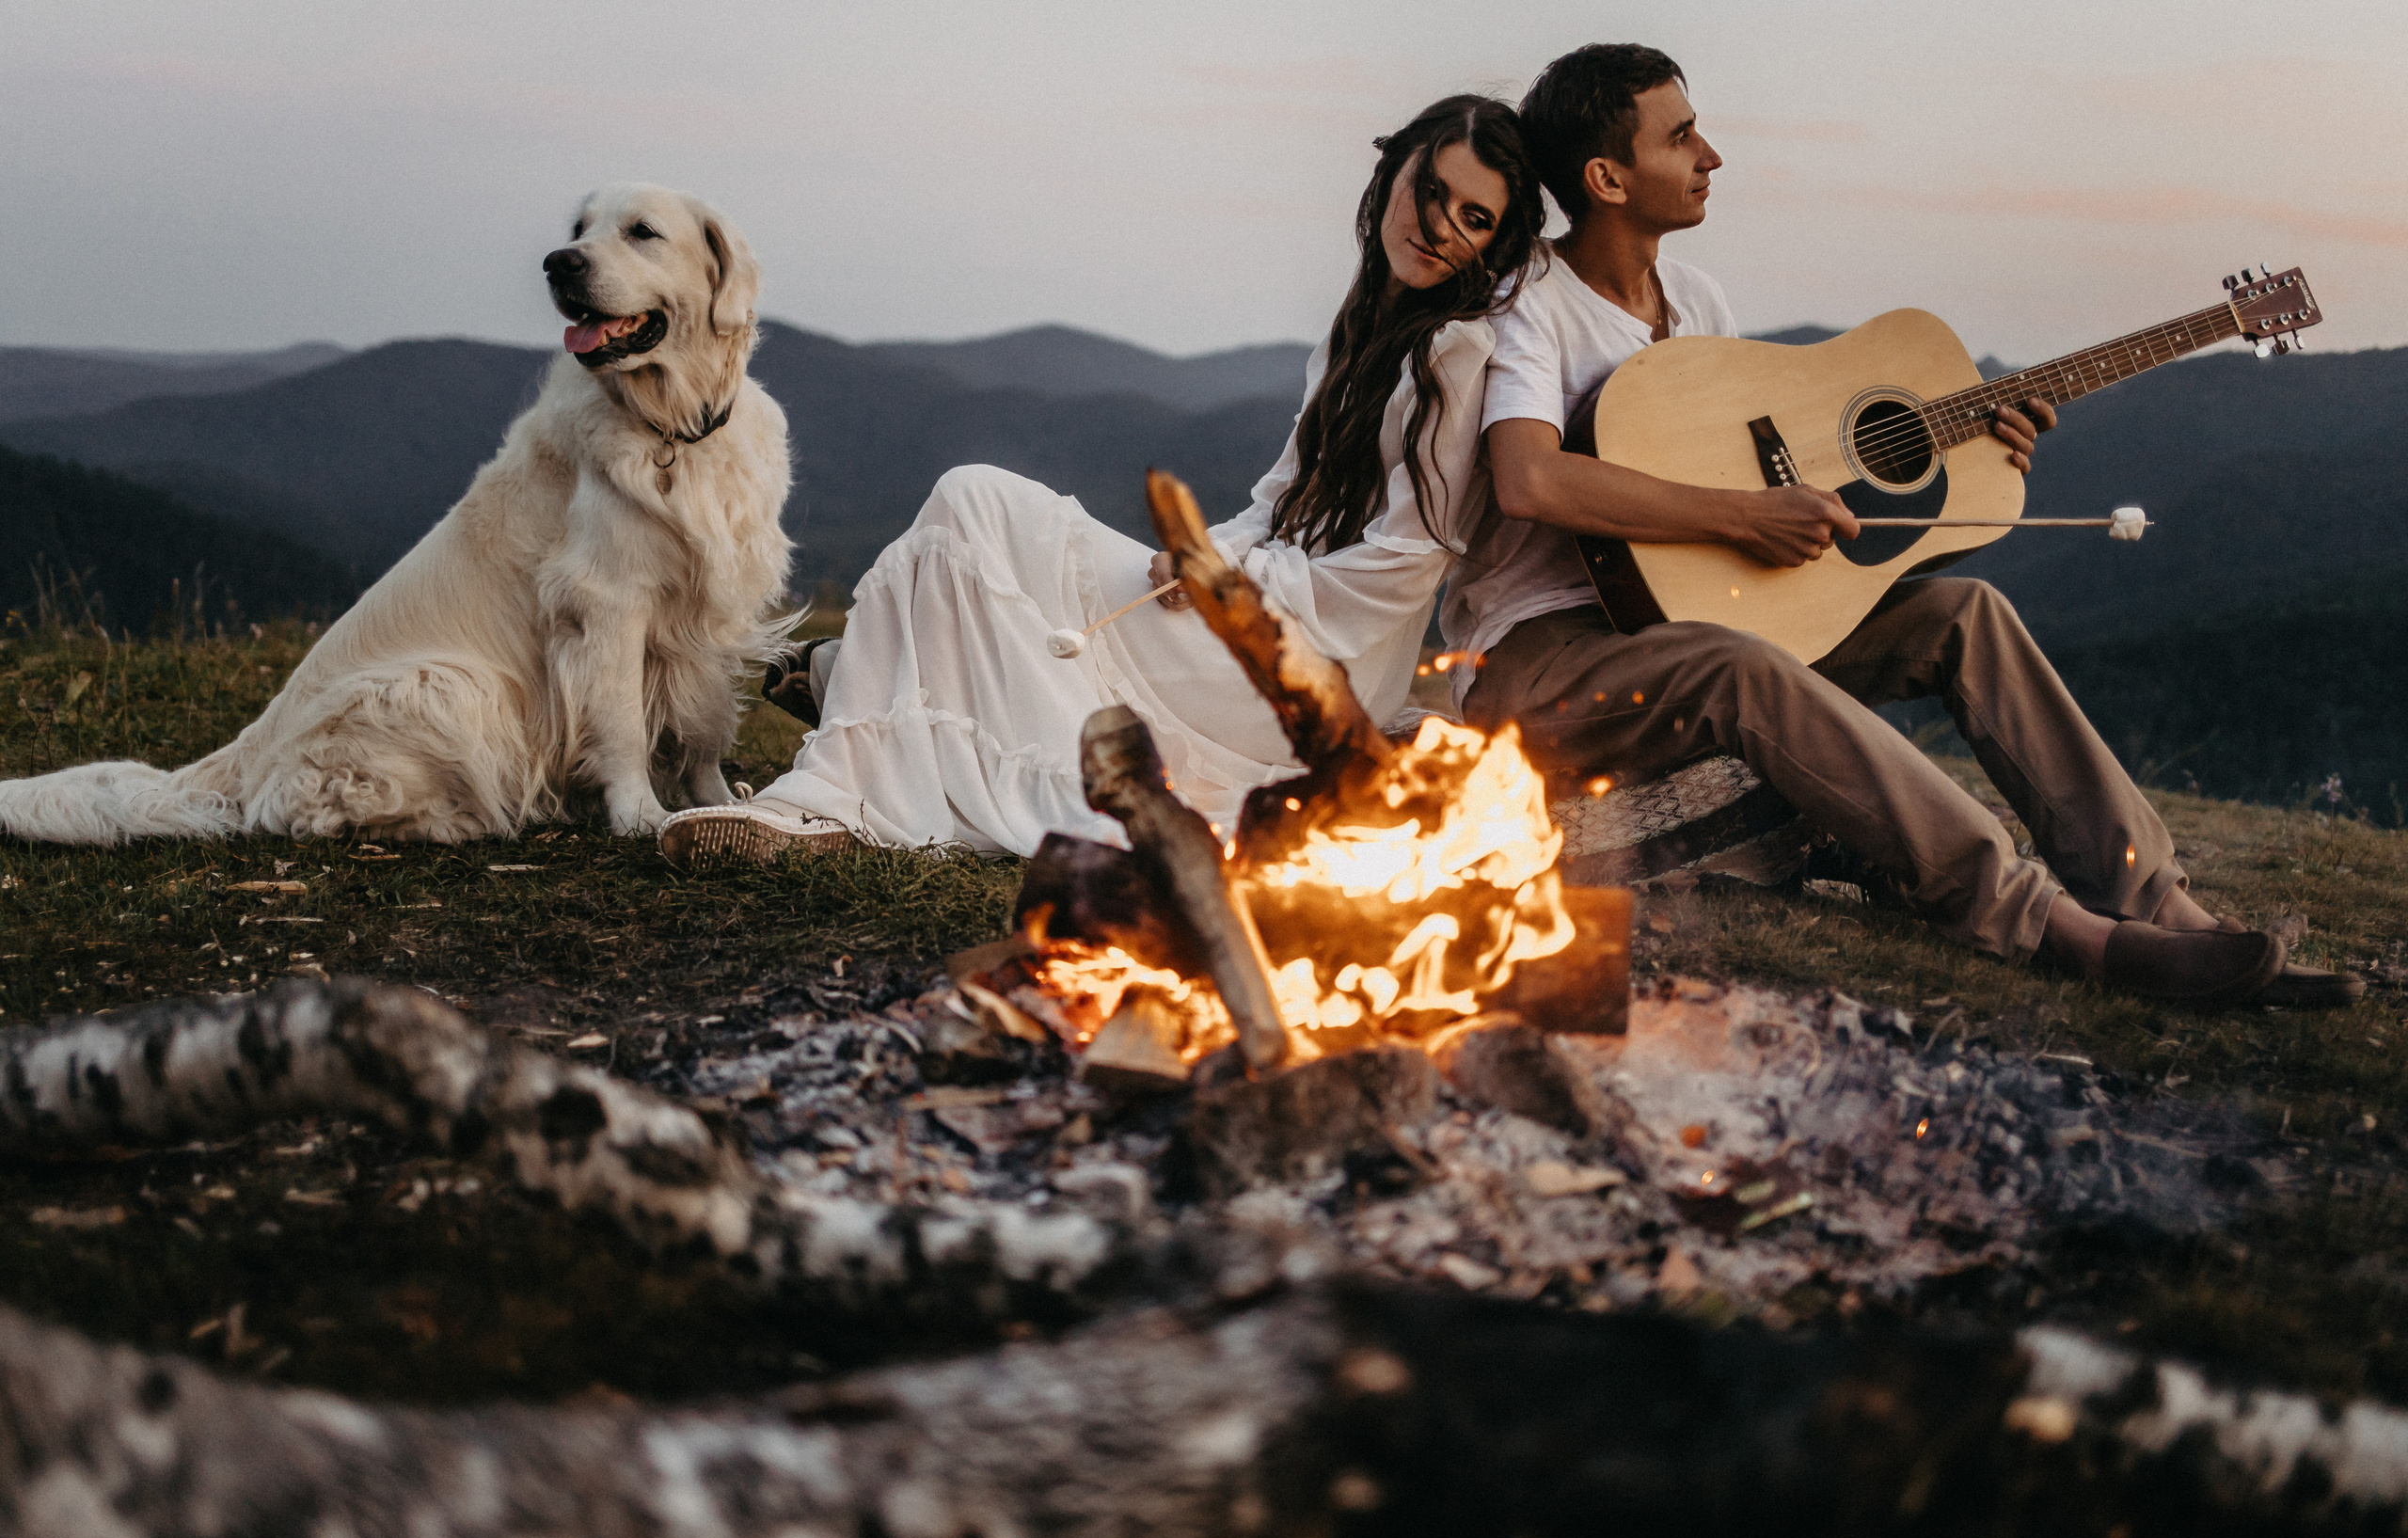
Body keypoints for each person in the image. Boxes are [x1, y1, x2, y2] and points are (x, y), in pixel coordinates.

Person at [1442, 43, 2357, 1008]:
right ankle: (2053, 930)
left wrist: (1972, 451)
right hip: (1542, 664)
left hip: (1693, 629)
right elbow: (1529, 480)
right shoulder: (1530, 304)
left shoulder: (1698, 304)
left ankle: (2163, 910)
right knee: (1740, 668)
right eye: (1681, 136)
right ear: (1606, 178)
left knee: (1963, 611)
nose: (1710, 155)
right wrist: (1748, 513)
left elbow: (1768, 500)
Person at [657, 94, 1547, 865]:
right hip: (1251, 610)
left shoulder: (1452, 352)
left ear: (1494, 246)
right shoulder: (1358, 334)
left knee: (978, 499)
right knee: (978, 512)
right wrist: (1202, 558)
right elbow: (1277, 502)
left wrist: (1236, 589)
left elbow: (1404, 566)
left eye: (1475, 220)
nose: (1440, 226)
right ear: (1393, 177)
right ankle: (849, 732)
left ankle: (833, 784)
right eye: (1432, 192)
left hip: (1305, 667)